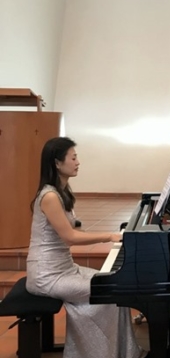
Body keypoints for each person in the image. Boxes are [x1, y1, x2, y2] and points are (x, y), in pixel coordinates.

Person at [26, 137, 147, 358]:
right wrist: (110, 236)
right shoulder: (50, 196)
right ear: (57, 163)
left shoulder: (61, 191)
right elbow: (70, 237)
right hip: (48, 275)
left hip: (65, 269)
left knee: (114, 286)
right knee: (108, 291)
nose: (78, 162)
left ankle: (123, 352)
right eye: (73, 157)